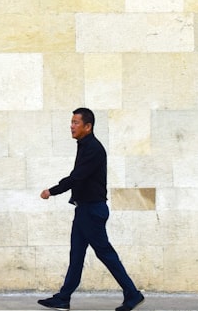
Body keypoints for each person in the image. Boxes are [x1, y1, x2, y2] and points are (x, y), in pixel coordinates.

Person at [38, 108, 144, 311]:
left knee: (105, 253)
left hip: (92, 211)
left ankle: (132, 293)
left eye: (76, 122)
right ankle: (63, 297)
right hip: (84, 210)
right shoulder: (84, 146)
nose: (72, 126)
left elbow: (77, 176)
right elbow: (78, 176)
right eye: (71, 122)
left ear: (88, 126)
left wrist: (52, 191)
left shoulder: (93, 148)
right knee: (76, 254)